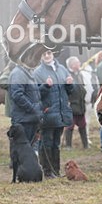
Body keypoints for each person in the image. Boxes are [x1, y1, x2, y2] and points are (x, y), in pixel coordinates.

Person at [34, 50, 73, 178]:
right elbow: (35, 93)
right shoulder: (38, 72)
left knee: (56, 143)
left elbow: (69, 92)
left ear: (53, 54)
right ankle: (47, 171)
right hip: (47, 113)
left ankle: (56, 171)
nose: (46, 55)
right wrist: (45, 86)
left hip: (60, 113)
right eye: (44, 53)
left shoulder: (62, 69)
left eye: (49, 53)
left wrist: (69, 85)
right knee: (46, 143)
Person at [8, 63, 44, 150]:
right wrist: (32, 109)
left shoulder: (29, 72)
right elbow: (17, 95)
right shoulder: (18, 73)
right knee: (20, 151)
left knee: (29, 150)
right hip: (23, 120)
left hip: (31, 118)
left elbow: (33, 94)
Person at [63, 56, 89, 149]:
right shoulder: (66, 74)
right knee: (70, 126)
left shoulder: (79, 74)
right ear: (72, 65)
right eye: (77, 62)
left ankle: (86, 145)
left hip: (81, 104)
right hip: (71, 104)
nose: (79, 64)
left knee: (83, 125)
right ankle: (68, 146)